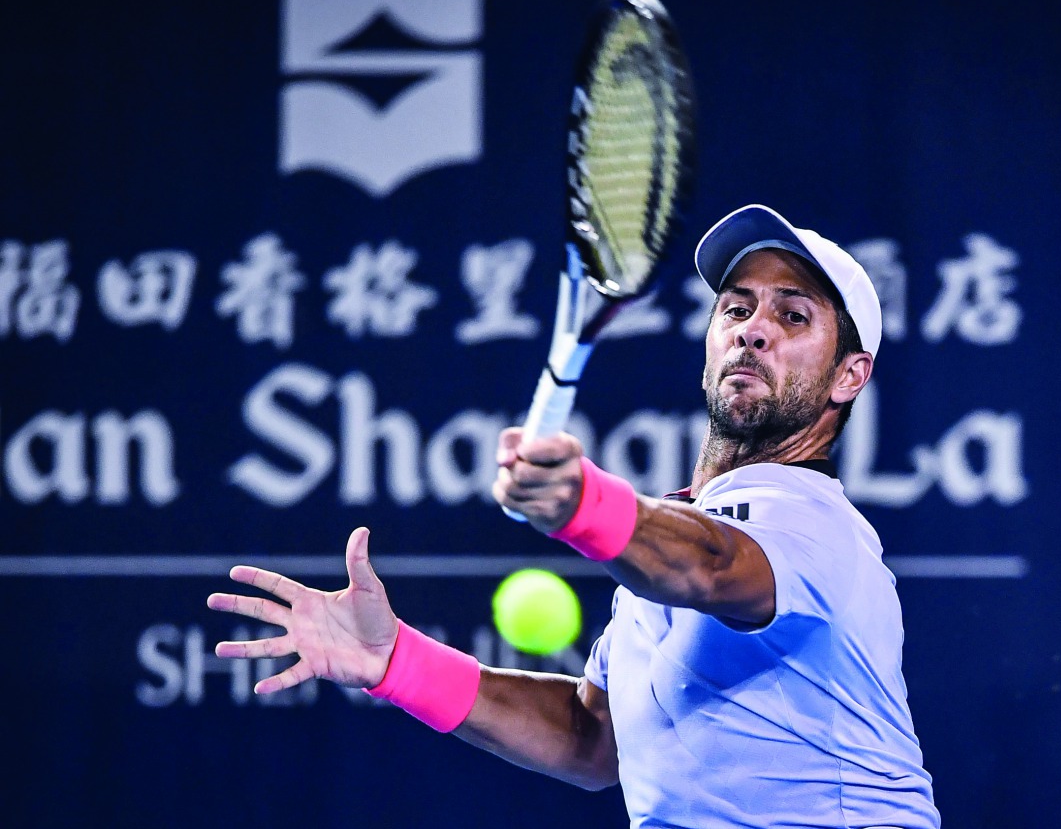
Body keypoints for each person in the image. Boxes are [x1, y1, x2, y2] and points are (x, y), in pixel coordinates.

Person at [208, 204, 940, 829]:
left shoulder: (813, 522)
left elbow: (710, 566)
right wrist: (397, 661)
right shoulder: (680, 534)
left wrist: (581, 504)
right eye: (737, 307)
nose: (753, 328)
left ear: (850, 374)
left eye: (794, 314)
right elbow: (592, 739)